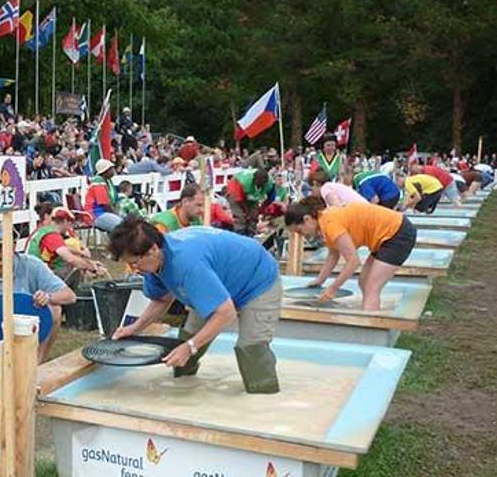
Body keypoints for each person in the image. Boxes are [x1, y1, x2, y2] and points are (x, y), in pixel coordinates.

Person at [108, 218, 281, 393]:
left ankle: (263, 395)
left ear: (153, 249)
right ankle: (181, 389)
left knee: (250, 347)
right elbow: (161, 299)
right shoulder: (154, 263)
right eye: (128, 263)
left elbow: (225, 313)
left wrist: (191, 347)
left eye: (134, 262)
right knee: (186, 339)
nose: (133, 268)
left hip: (257, 280)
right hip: (218, 279)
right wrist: (135, 328)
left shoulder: (187, 264)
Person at [0, 225, 76, 364]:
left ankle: (37, 361)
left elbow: (70, 295)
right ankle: (3, 357)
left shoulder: (32, 264)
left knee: (55, 310)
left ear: (14, 246)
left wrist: (48, 297)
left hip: (27, 322)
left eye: (7, 246)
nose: (3, 252)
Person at [285, 197, 417, 311]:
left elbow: (353, 262)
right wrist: (320, 280)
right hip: (387, 235)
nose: (302, 235)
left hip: (397, 233)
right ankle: (369, 315)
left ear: (307, 219)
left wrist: (333, 288)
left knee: (372, 287)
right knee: (364, 282)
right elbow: (333, 255)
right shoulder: (324, 221)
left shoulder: (330, 224)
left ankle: (370, 330)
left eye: (299, 231)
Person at [27, 205, 104, 287]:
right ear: (64, 221)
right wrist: (92, 268)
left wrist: (90, 262)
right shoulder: (52, 236)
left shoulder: (43, 230)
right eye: (70, 223)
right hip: (37, 278)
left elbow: (65, 249)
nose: (70, 227)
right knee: (75, 269)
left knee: (76, 264)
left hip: (32, 272)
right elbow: (70, 258)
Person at [226, 168, 276, 235]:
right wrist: (246, 212)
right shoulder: (243, 182)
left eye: (262, 184)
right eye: (258, 183)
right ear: (254, 179)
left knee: (254, 216)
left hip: (251, 194)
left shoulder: (270, 184)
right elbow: (239, 199)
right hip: (235, 190)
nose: (260, 185)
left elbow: (271, 198)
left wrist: (261, 208)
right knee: (240, 217)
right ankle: (239, 235)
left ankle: (251, 235)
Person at [84, 159, 122, 232]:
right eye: (111, 169)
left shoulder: (108, 181)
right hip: (96, 214)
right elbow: (105, 205)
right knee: (121, 226)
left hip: (105, 212)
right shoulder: (98, 182)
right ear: (105, 171)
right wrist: (116, 215)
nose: (113, 170)